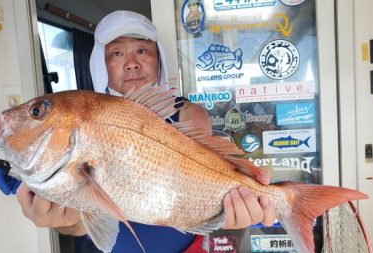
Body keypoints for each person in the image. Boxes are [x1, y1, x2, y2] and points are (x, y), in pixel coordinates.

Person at [14, 10, 276, 253]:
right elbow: (83, 224)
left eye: (141, 50)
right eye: (116, 53)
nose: (131, 63)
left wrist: (226, 213)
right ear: (99, 64)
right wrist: (66, 221)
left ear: (158, 58)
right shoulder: (80, 123)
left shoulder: (189, 114)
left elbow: (201, 189)